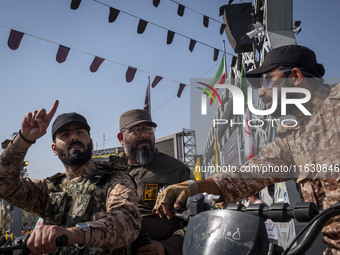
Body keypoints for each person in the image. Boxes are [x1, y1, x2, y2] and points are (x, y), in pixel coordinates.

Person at [153, 45, 340, 254]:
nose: (261, 92)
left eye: (268, 80)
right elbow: (247, 174)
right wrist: (193, 187)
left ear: (296, 76)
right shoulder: (291, 136)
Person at [0, 100, 142, 255]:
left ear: (91, 143)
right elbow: (4, 184)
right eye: (65, 134)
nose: (74, 137)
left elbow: (127, 223)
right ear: (54, 148)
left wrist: (74, 234)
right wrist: (23, 139)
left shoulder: (115, 180)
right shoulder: (49, 188)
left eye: (81, 132)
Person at [117, 109, 192, 255]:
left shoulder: (176, 169)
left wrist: (166, 247)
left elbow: (197, 219)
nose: (145, 135)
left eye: (149, 129)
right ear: (121, 138)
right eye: (136, 130)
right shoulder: (111, 172)